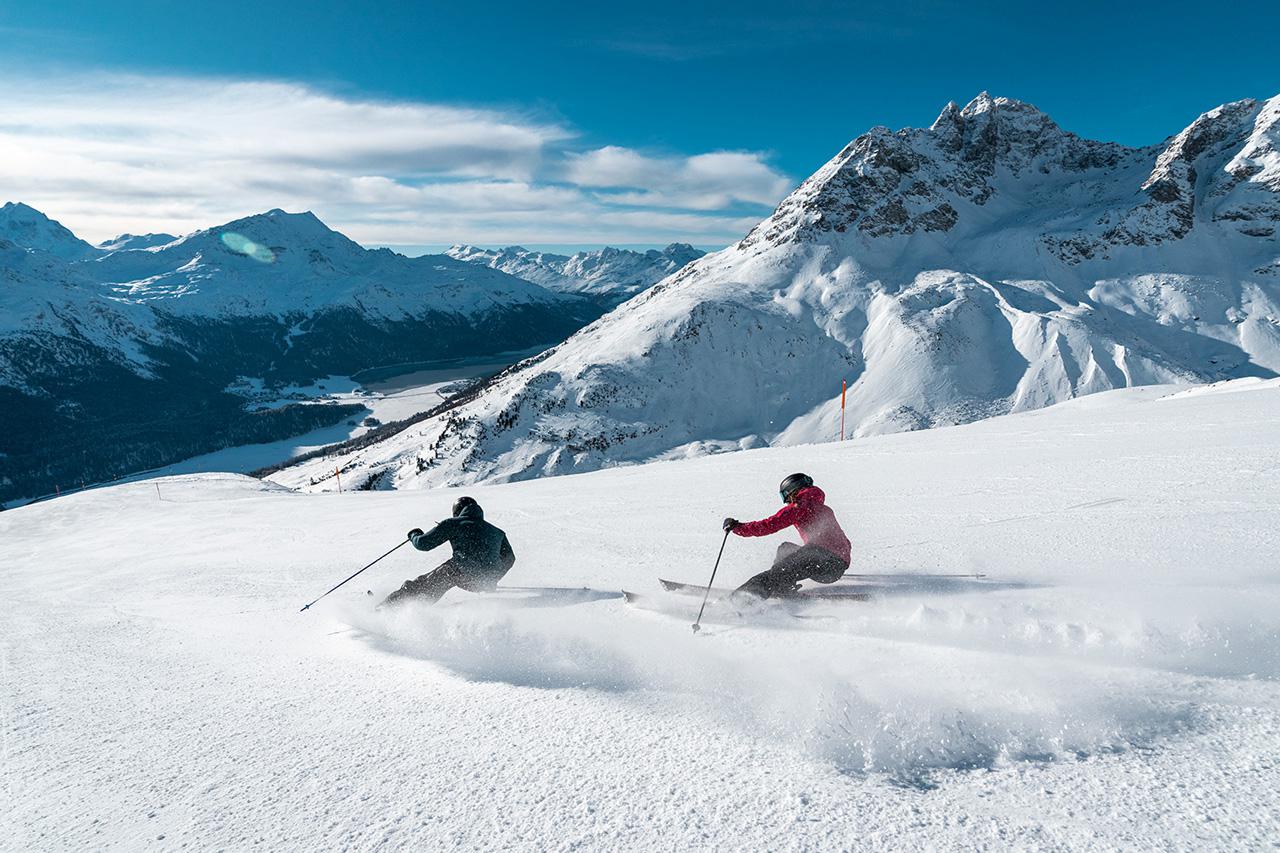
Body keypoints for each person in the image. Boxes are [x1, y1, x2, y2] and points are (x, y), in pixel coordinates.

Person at [722, 473, 851, 600]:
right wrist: (841, 562)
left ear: (793, 490)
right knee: (785, 548)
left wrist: (738, 527)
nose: (786, 501)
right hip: (833, 565)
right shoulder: (823, 507)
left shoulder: (799, 506)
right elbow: (844, 542)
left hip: (823, 563)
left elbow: (769, 525)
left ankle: (737, 602)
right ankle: (783, 585)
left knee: (775, 574)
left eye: (785, 495)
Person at [381, 496, 516, 607]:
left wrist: (413, 535)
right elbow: (510, 558)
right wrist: (493, 576)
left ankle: (391, 607)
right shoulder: (497, 532)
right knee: (449, 569)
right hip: (487, 584)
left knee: (424, 583)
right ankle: (411, 605)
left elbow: (423, 544)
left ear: (457, 512)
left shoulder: (453, 523)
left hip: (461, 572)